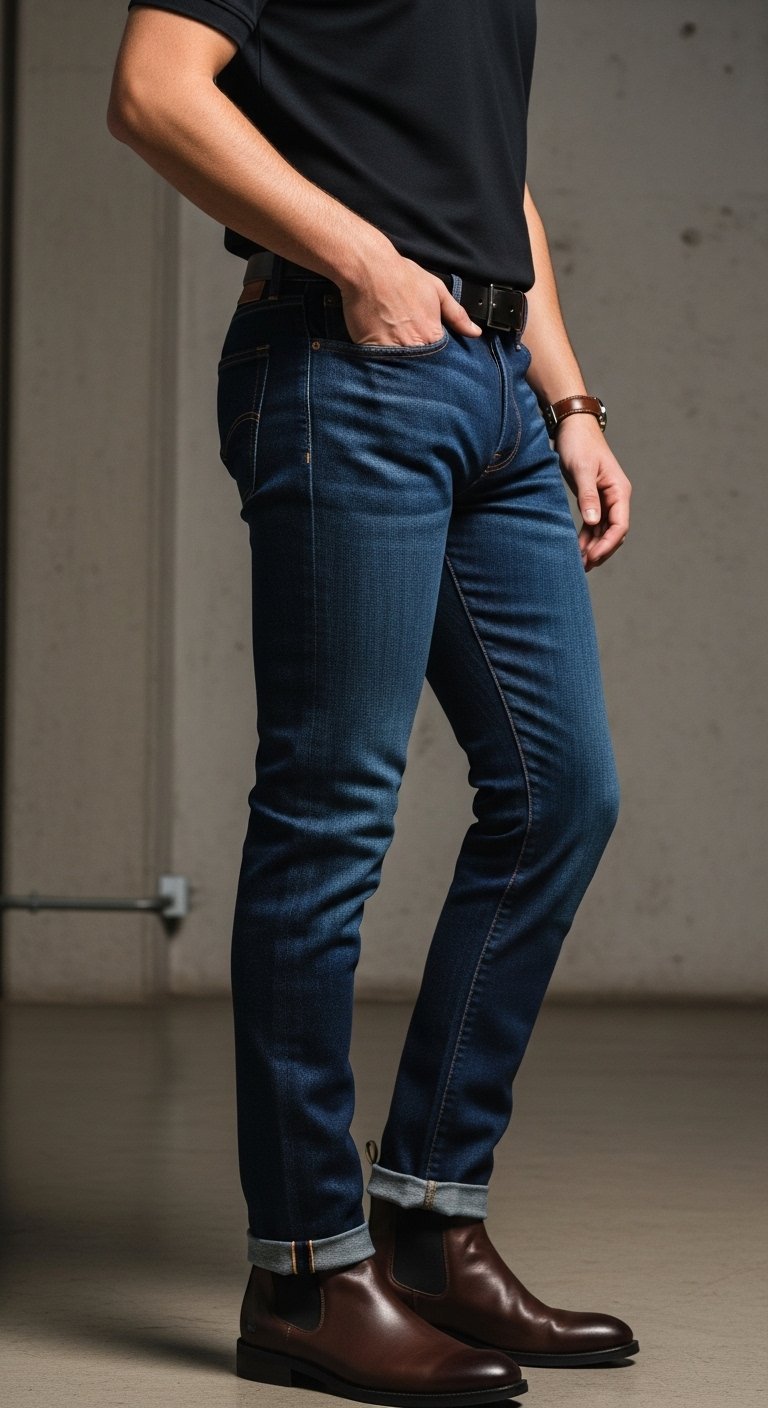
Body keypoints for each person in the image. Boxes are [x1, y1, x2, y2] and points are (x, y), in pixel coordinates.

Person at [107, 3, 638, 1403]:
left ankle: (426, 1225)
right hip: (344, 360)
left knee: (561, 795)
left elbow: (488, 171)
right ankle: (300, 1270)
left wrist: (568, 400)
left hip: (495, 385)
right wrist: (358, 260)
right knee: (331, 813)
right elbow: (155, 92)